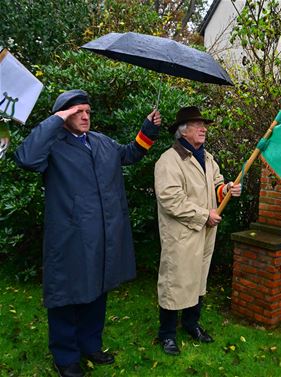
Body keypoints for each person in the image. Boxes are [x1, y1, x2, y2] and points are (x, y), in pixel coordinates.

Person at [14, 89, 160, 377]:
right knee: (67, 297)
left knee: (97, 293)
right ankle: (65, 358)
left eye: (87, 112)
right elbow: (26, 158)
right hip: (69, 239)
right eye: (76, 112)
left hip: (103, 237)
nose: (84, 117)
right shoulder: (52, 146)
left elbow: (130, 153)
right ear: (63, 116)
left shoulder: (102, 142)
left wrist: (148, 129)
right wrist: (56, 119)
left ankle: (90, 345)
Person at [154, 106, 241, 356]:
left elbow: (215, 185)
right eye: (197, 124)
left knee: (199, 279)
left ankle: (191, 324)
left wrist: (226, 190)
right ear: (183, 131)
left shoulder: (207, 157)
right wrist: (204, 215)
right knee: (175, 282)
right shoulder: (168, 161)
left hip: (205, 232)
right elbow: (170, 199)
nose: (203, 128)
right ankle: (167, 334)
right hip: (181, 235)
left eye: (204, 124)